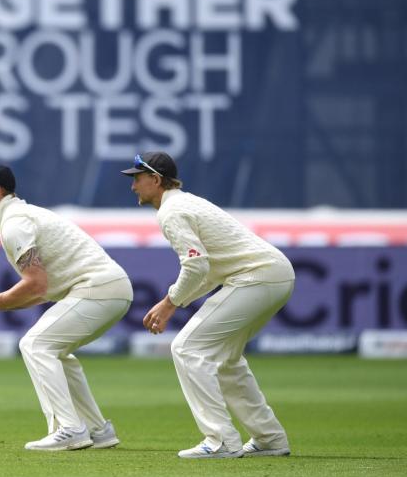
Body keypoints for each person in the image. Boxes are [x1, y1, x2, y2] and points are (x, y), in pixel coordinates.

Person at [0, 162, 133, 451]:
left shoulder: (14, 224)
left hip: (98, 289)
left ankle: (70, 428)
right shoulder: (17, 217)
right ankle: (98, 430)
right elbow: (42, 291)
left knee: (35, 345)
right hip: (110, 289)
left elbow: (35, 285)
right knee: (56, 353)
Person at [122, 152, 294, 459]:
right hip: (273, 274)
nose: (133, 186)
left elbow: (196, 264)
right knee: (226, 360)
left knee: (187, 348)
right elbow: (208, 267)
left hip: (256, 277)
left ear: (156, 179)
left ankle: (220, 441)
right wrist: (174, 301)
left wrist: (169, 303)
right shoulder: (184, 202)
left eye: (137, 178)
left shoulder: (171, 212)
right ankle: (269, 439)